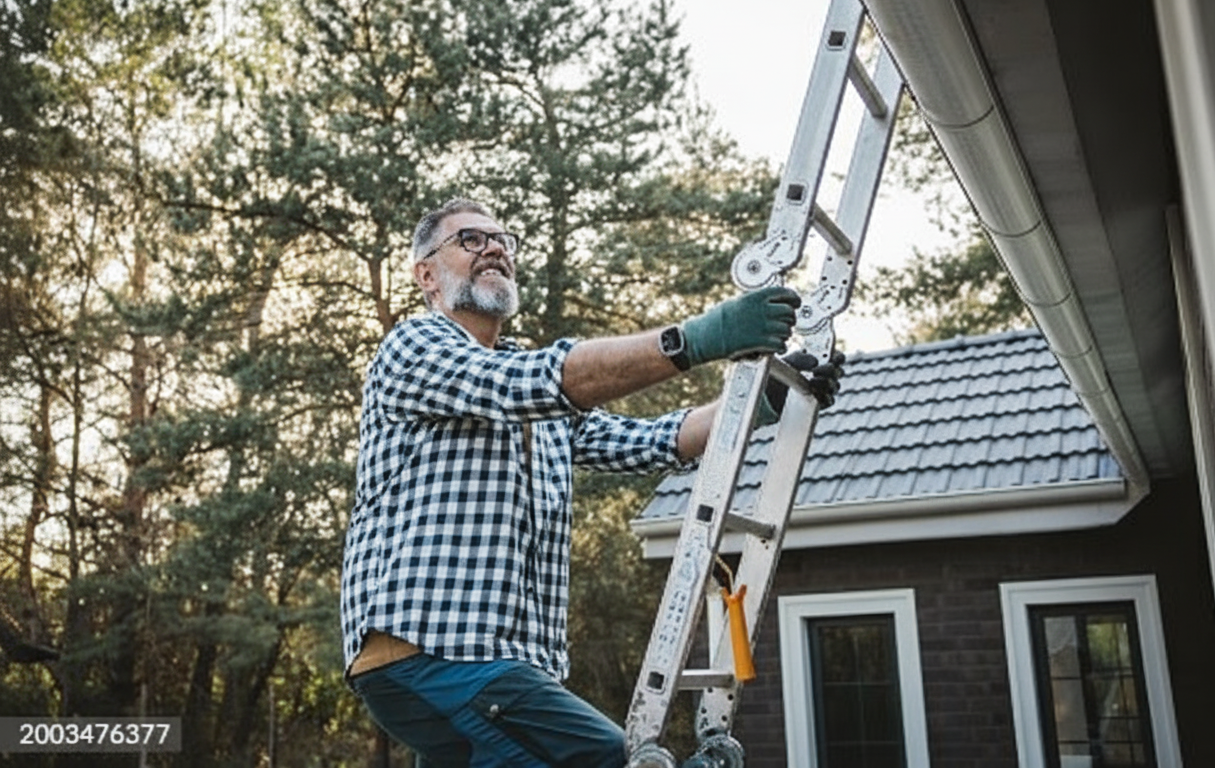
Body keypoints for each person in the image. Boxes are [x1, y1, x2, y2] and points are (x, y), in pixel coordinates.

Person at [340, 198, 841, 768]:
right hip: (433, 655)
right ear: (426, 274)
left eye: (502, 239)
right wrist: (699, 338)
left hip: (498, 665)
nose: (495, 248)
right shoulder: (414, 348)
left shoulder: (534, 396)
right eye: (471, 240)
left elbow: (650, 442)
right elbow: (528, 381)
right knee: (602, 755)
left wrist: (760, 401)